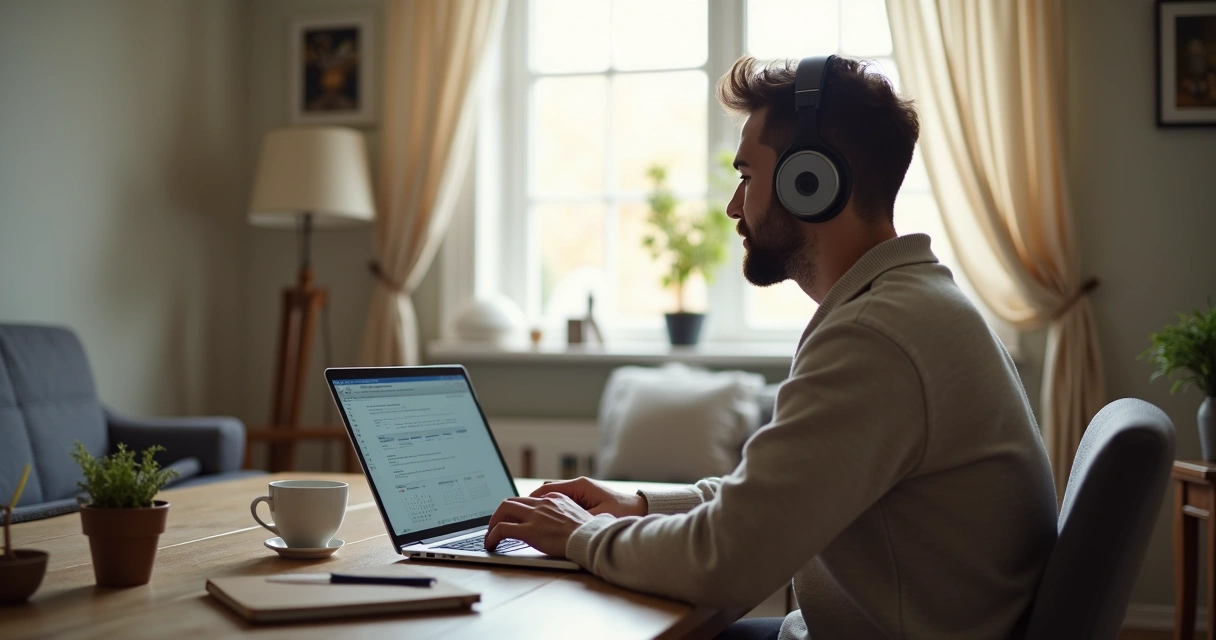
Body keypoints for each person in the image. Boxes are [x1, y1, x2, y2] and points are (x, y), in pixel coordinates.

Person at [485, 55, 1057, 640]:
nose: (734, 206)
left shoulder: (876, 335)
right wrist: (639, 505)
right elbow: (770, 507)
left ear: (810, 181)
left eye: (747, 176)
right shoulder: (910, 303)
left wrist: (577, 535)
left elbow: (726, 561)